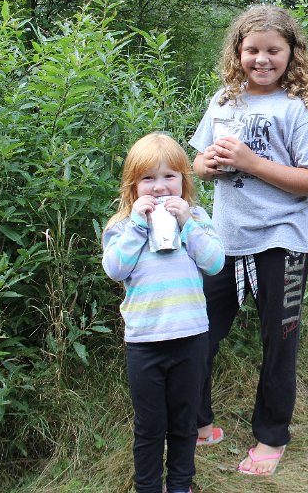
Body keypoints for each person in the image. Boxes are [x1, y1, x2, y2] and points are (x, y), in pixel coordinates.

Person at [189, 5, 308, 476]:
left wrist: (251, 163)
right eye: (252, 49)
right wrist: (207, 166)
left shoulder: (297, 110)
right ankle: (199, 423)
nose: (262, 59)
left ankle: (271, 437)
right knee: (199, 333)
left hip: (282, 242)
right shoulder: (223, 101)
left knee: (279, 343)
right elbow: (197, 163)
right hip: (226, 240)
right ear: (238, 52)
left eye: (274, 50)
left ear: (292, 54)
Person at [102, 132, 225, 493]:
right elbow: (115, 269)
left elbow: (215, 263)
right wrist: (138, 226)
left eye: (169, 176)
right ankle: (148, 487)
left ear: (184, 181)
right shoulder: (122, 226)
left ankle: (181, 485)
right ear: (133, 185)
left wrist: (188, 224)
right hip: (145, 343)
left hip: (190, 338)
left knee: (184, 423)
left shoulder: (196, 217)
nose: (159, 187)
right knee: (150, 426)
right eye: (148, 178)